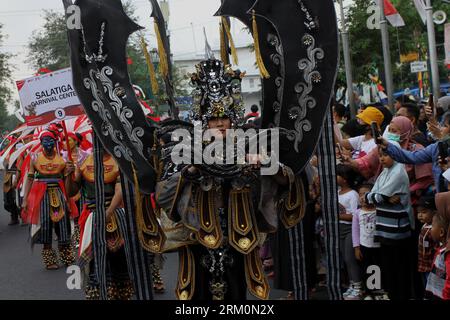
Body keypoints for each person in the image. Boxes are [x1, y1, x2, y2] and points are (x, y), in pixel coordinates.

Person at [155, 58, 301, 300]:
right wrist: (190, 171)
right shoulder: (188, 147)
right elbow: (164, 194)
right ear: (204, 120)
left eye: (224, 117)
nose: (220, 123)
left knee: (235, 292)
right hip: (197, 232)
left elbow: (286, 178)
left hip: (239, 230)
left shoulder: (251, 141)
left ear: (233, 118)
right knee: (199, 293)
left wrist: (264, 163)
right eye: (213, 118)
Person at [65, 150, 134, 300]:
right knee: (95, 257)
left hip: (115, 214)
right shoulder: (83, 164)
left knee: (119, 255)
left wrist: (108, 213)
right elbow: (71, 192)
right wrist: (68, 175)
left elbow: (120, 190)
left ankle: (120, 290)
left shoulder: (118, 161)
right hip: (92, 216)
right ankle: (98, 291)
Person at [22, 130, 77, 270]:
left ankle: (67, 256)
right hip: (42, 194)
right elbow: (29, 178)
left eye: (50, 140)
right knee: (45, 225)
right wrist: (25, 199)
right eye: (45, 141)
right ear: (41, 143)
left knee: (63, 224)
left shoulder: (63, 159)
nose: (48, 143)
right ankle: (49, 259)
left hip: (60, 192)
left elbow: (68, 183)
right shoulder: (34, 158)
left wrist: (71, 173)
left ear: (55, 142)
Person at [365, 147, 413, 300]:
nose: (382, 158)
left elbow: (379, 196)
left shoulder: (398, 172)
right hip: (384, 229)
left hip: (396, 231)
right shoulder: (385, 172)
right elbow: (369, 197)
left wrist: (380, 197)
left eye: (385, 154)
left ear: (395, 154)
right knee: (388, 267)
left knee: (399, 268)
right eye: (380, 155)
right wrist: (382, 198)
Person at [379, 113, 450, 193]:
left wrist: (447, 170)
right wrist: (388, 146)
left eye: (445, 126)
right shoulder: (436, 147)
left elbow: (425, 181)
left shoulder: (419, 146)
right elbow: (411, 157)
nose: (440, 128)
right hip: (442, 197)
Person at [352, 183, 385, 300]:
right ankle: (369, 292)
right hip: (364, 246)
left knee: (378, 267)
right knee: (367, 269)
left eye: (366, 194)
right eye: (360, 194)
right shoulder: (357, 213)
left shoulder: (380, 210)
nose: (362, 197)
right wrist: (356, 248)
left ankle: (379, 291)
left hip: (378, 246)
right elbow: (355, 231)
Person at [336, 164, 362, 300]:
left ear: (345, 179)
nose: (335, 177)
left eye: (338, 175)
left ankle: (358, 287)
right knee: (345, 259)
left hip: (350, 230)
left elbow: (354, 216)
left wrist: (336, 215)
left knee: (350, 258)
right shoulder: (337, 193)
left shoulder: (353, 195)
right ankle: (352, 285)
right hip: (339, 229)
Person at [425, 192, 450, 300]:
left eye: (432, 226)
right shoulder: (443, 247)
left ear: (441, 232)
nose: (430, 229)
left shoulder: (448, 252)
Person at [417, 196, 439, 292]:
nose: (420, 215)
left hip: (431, 266)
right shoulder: (425, 225)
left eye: (424, 212)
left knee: (431, 287)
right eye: (419, 212)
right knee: (425, 285)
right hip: (423, 264)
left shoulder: (434, 229)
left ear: (434, 212)